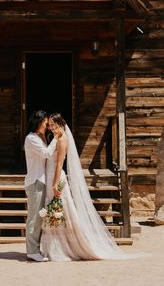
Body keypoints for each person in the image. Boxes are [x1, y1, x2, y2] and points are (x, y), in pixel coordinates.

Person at [41, 112, 149, 261]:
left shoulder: (62, 140)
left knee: (62, 210)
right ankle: (54, 246)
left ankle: (65, 246)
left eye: (54, 124)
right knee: (56, 210)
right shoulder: (56, 137)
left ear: (61, 123)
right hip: (51, 175)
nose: (51, 127)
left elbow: (60, 163)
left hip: (56, 178)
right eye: (50, 125)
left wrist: (54, 184)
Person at [24, 110, 59, 262]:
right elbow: (46, 153)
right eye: (45, 124)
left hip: (40, 180)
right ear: (38, 123)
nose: (46, 126)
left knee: (39, 217)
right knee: (34, 218)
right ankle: (32, 251)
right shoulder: (31, 139)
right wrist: (56, 138)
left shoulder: (37, 137)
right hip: (35, 181)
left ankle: (35, 249)